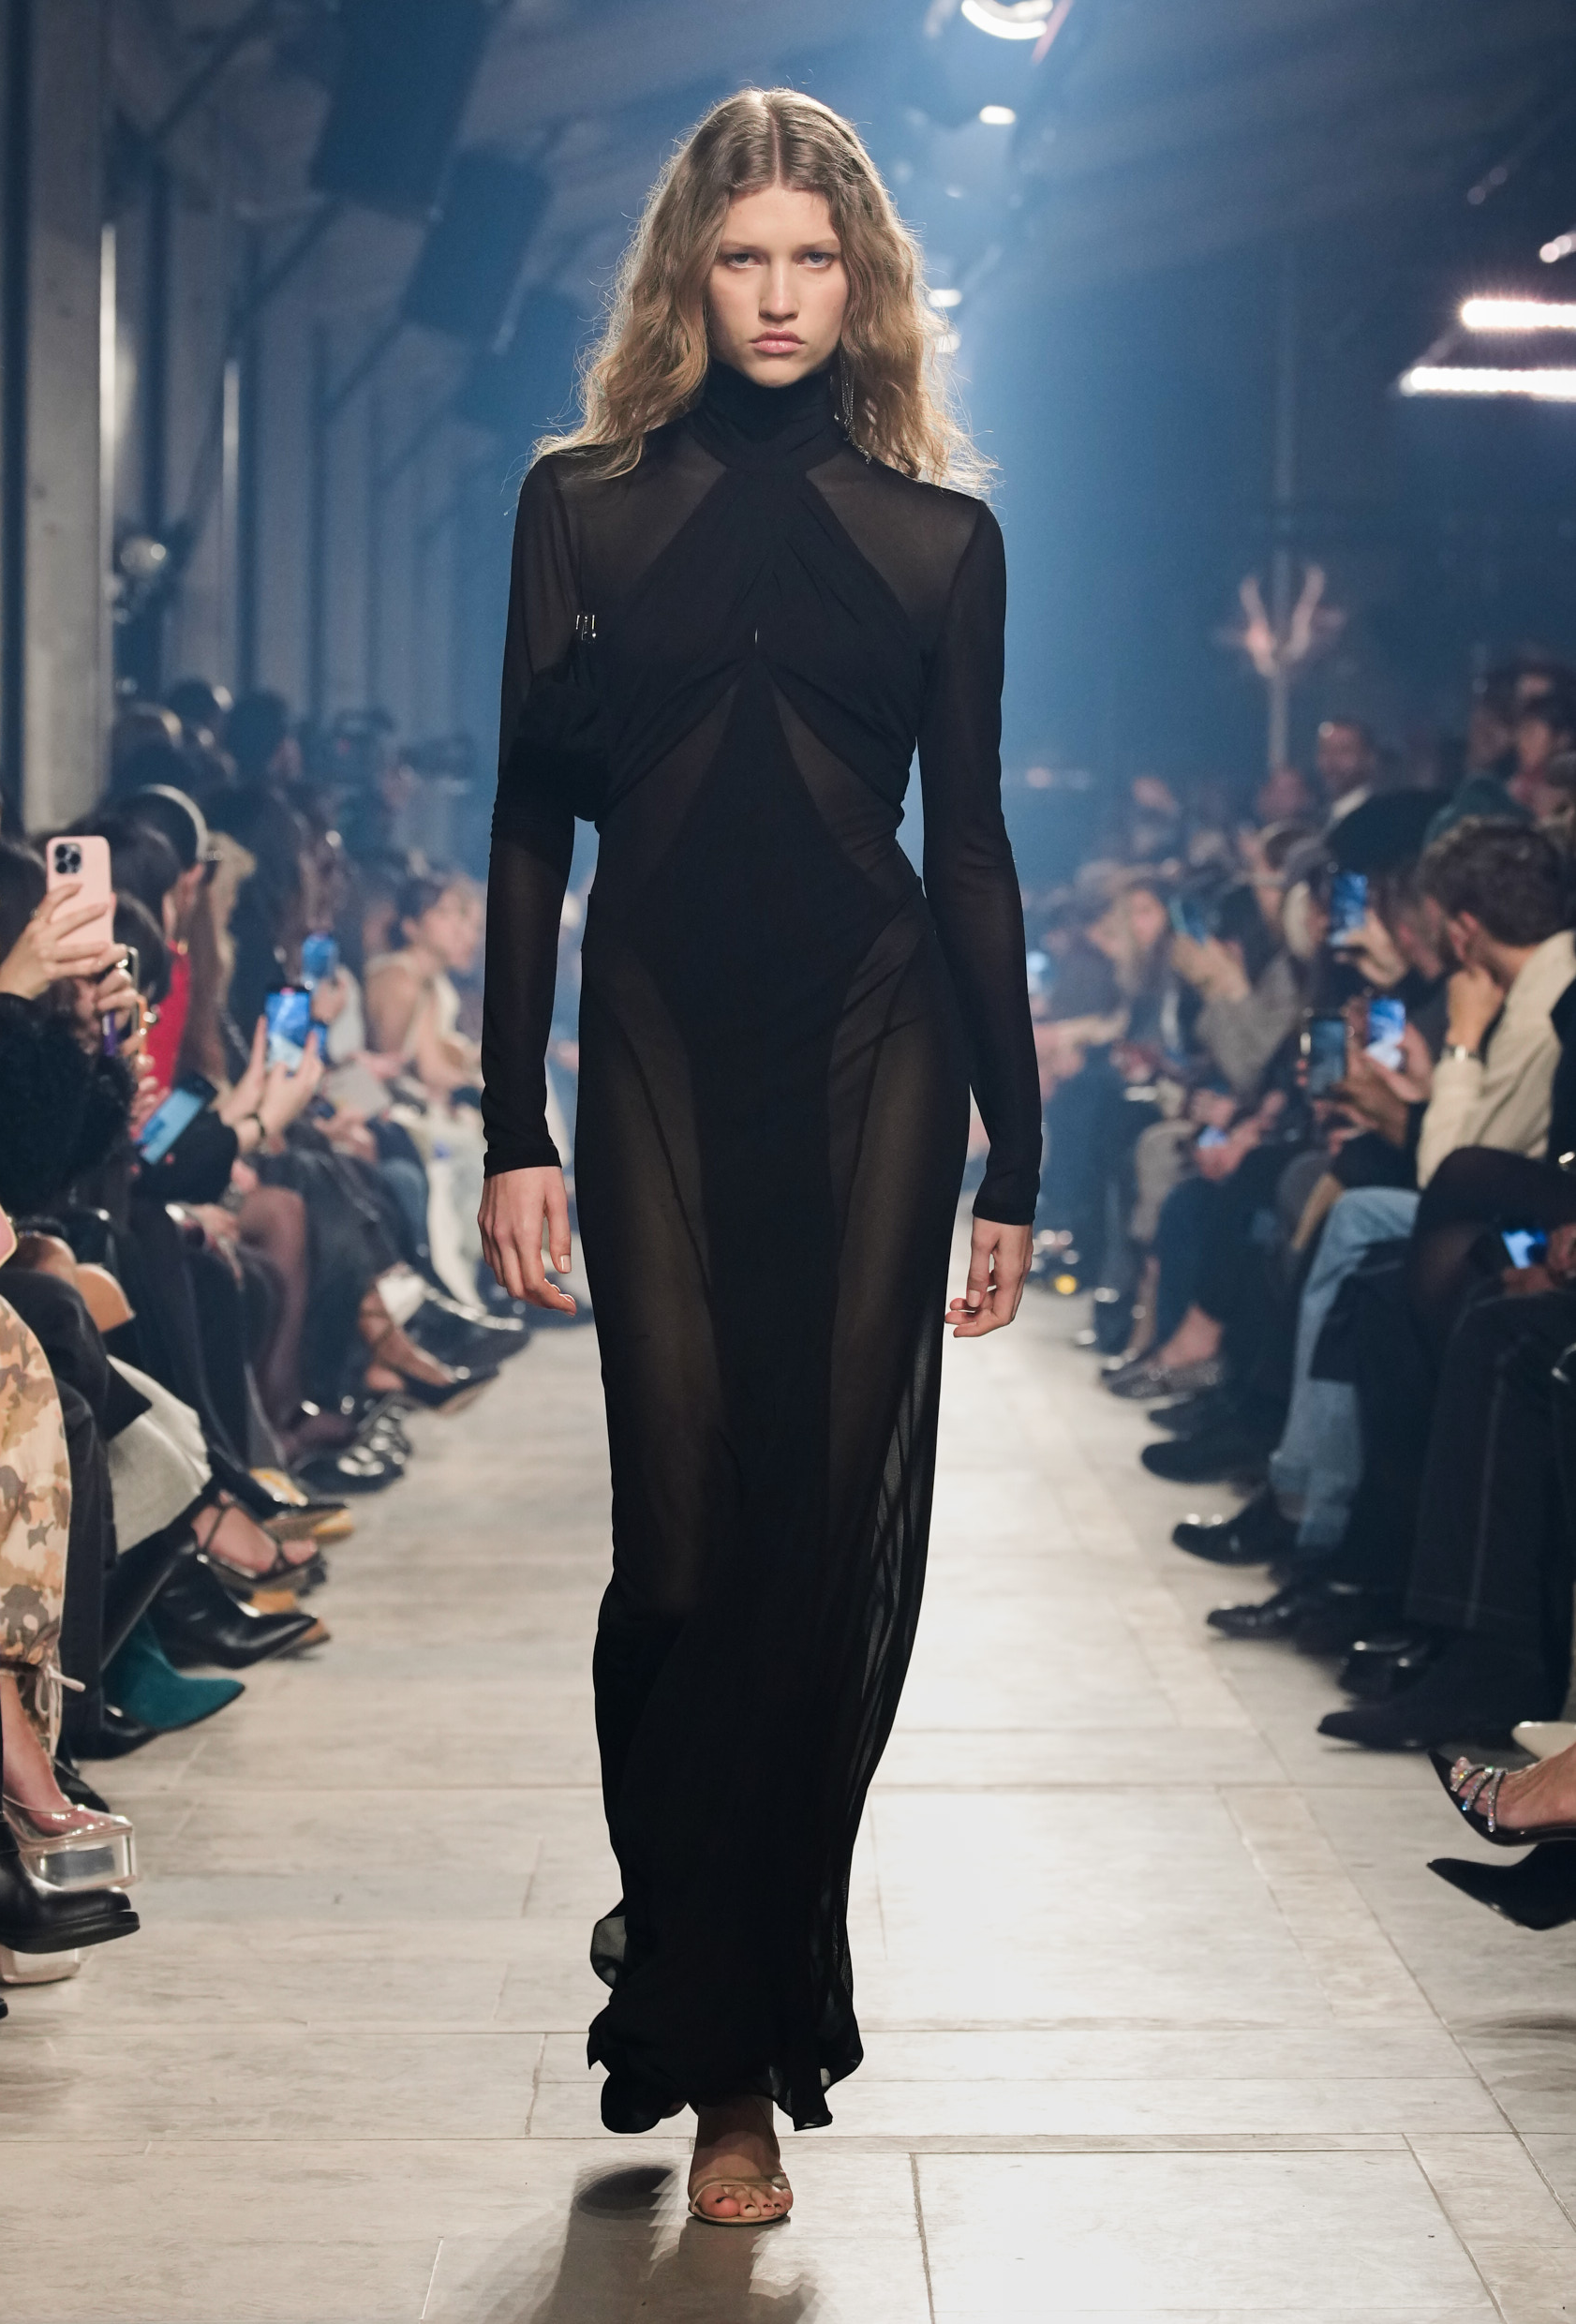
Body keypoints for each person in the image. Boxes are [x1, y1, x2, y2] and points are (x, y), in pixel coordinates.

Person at [477, 87, 1041, 2225]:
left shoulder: (943, 541)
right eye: (743, 258)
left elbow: (969, 855)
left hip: (883, 1053)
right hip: (647, 1054)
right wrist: (511, 1124)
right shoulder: (579, 506)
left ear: (862, 280)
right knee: (682, 1551)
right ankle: (675, 1901)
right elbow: (527, 831)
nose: (780, 296)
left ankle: (738, 2064)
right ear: (686, 277)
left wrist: (1018, 1158)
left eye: (814, 258)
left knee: (812, 1554)